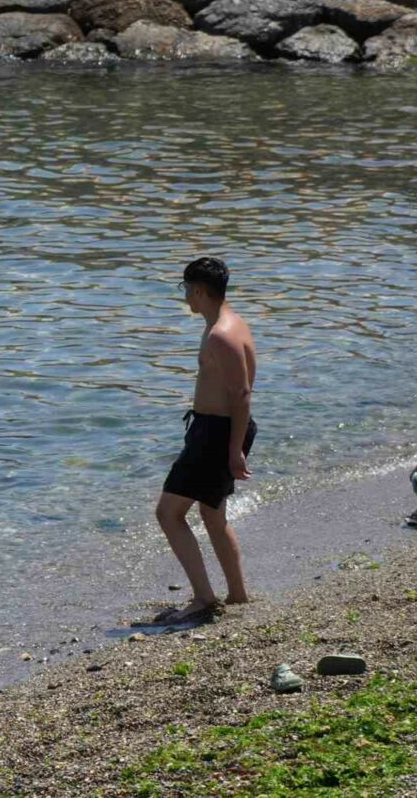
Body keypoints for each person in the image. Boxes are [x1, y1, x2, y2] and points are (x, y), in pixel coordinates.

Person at [154, 257, 257, 624]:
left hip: (216, 434)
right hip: (217, 430)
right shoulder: (230, 322)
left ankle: (202, 598)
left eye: (186, 289)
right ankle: (238, 594)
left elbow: (241, 395)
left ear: (199, 291)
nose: (185, 297)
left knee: (168, 513)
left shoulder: (221, 335)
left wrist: (234, 451)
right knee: (213, 513)